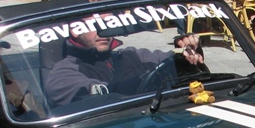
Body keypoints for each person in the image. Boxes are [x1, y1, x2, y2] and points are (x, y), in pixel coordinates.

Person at [45, 27, 205, 108]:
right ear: (75, 30)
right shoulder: (64, 73)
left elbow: (169, 60)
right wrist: (146, 80)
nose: (103, 32)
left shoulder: (131, 55)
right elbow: (104, 93)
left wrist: (187, 51)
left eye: (107, 24)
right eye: (95, 25)